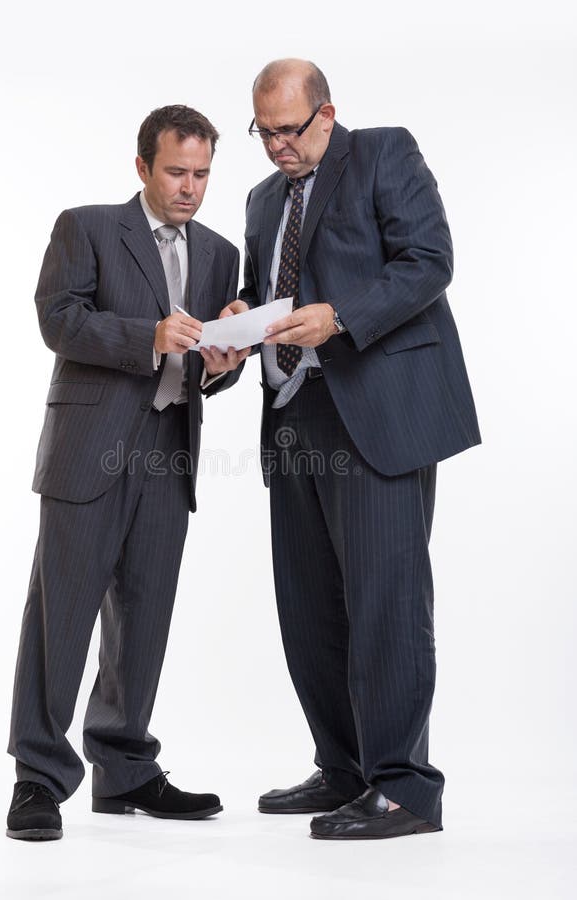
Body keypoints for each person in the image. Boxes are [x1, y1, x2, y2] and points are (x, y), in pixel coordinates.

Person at [225, 59, 481, 840]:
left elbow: (428, 262)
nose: (276, 147)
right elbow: (268, 297)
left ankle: (402, 788)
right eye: (263, 133)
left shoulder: (384, 154)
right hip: (293, 416)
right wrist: (235, 324)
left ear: (327, 115)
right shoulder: (263, 200)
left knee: (385, 605)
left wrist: (340, 316)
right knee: (310, 609)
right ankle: (343, 769)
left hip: (376, 412)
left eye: (289, 131)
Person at [6, 104, 249, 841]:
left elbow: (206, 362)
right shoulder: (85, 227)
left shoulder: (217, 253)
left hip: (168, 450)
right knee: (63, 616)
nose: (189, 187)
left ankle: (123, 767)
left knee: (143, 620)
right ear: (142, 166)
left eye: (203, 174)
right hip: (91, 445)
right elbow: (59, 318)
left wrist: (224, 362)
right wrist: (145, 335)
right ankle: (38, 780)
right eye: (176, 171)